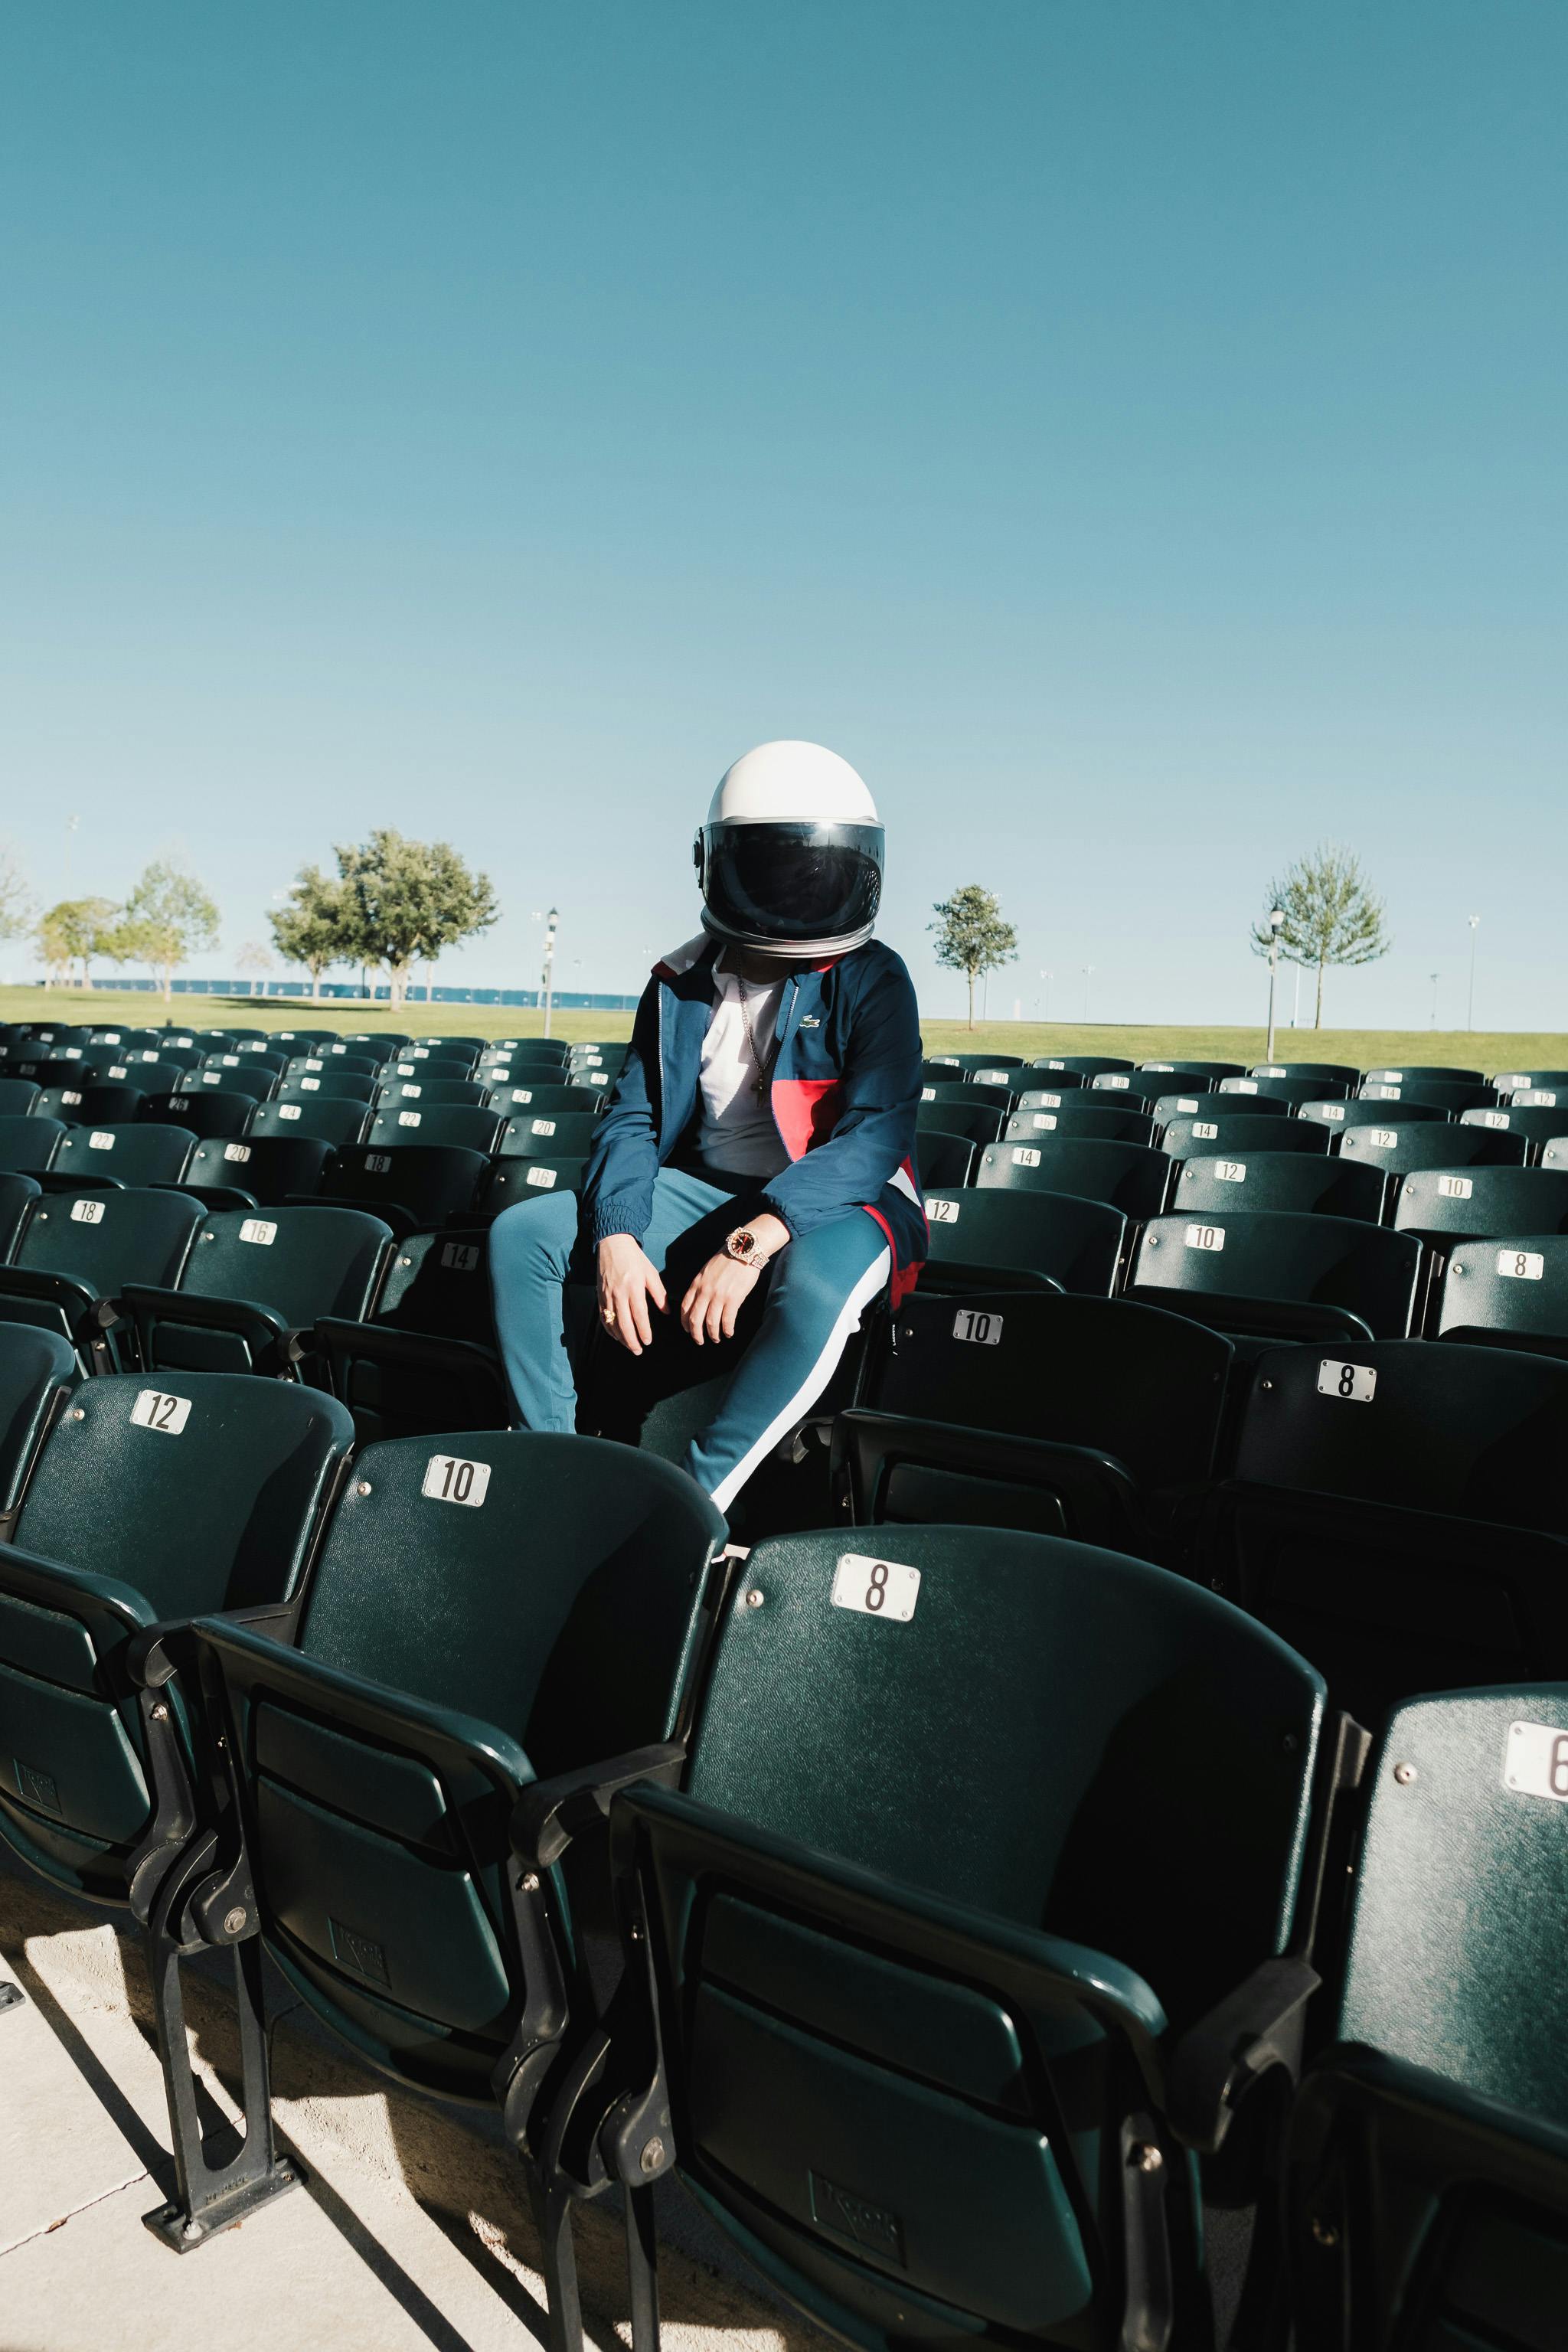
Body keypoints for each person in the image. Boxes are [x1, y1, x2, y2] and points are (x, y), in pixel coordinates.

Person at [488, 740, 926, 1512]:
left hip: (842, 1200)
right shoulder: (676, 981)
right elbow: (633, 1117)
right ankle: (545, 1471)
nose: (797, 889)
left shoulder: (873, 976)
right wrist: (617, 1234)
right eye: (774, 865)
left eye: (818, 866)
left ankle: (690, 1508)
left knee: (813, 1292)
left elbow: (873, 1136)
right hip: (703, 1187)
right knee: (523, 1235)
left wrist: (753, 1240)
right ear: (715, 862)